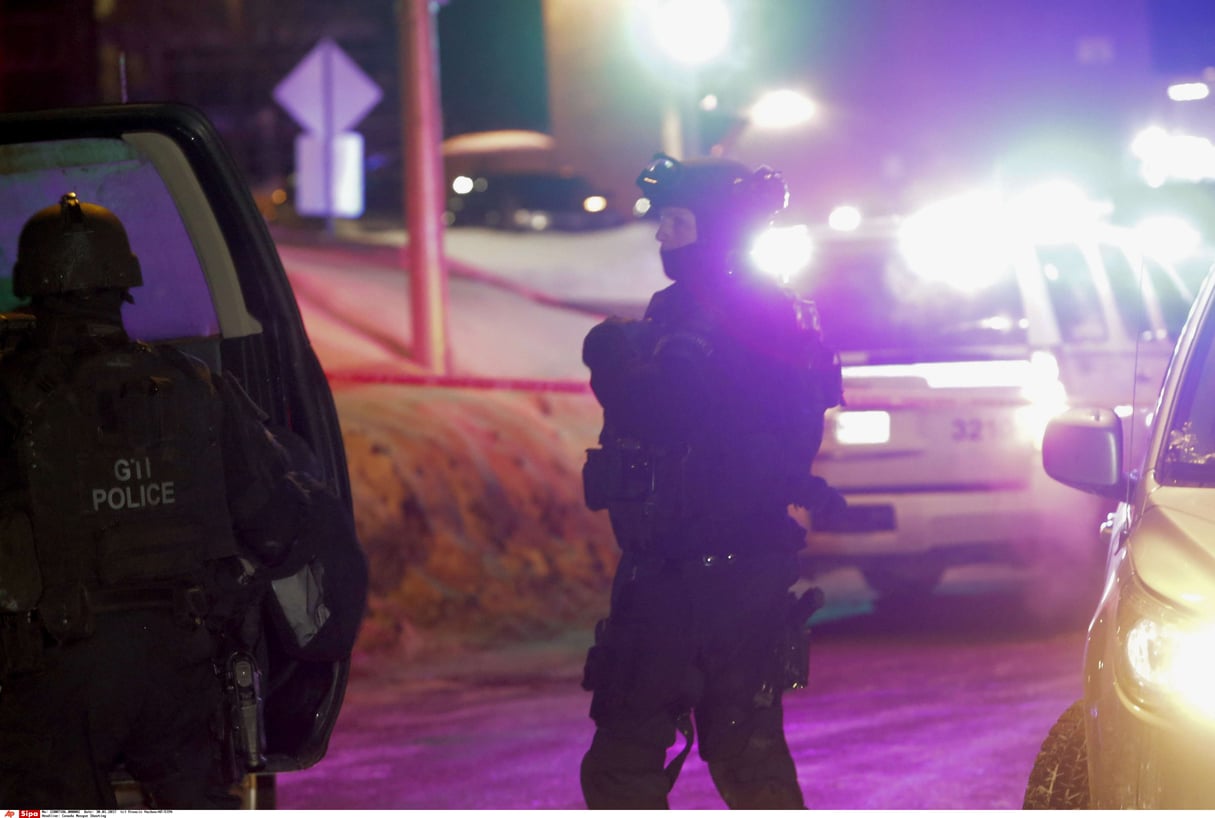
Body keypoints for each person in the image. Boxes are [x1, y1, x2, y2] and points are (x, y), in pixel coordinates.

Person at [0, 193, 358, 808]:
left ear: (32, 289)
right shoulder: (198, 386)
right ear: (122, 285)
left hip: (55, 677)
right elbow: (275, 518)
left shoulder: (9, 396)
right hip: (184, 668)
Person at [579, 155, 843, 809]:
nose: (662, 234)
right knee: (736, 759)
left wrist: (611, 362)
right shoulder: (707, 310)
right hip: (691, 568)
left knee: (637, 762)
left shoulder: (745, 320)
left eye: (676, 220)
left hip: (703, 576)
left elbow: (672, 412)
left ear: (717, 231)